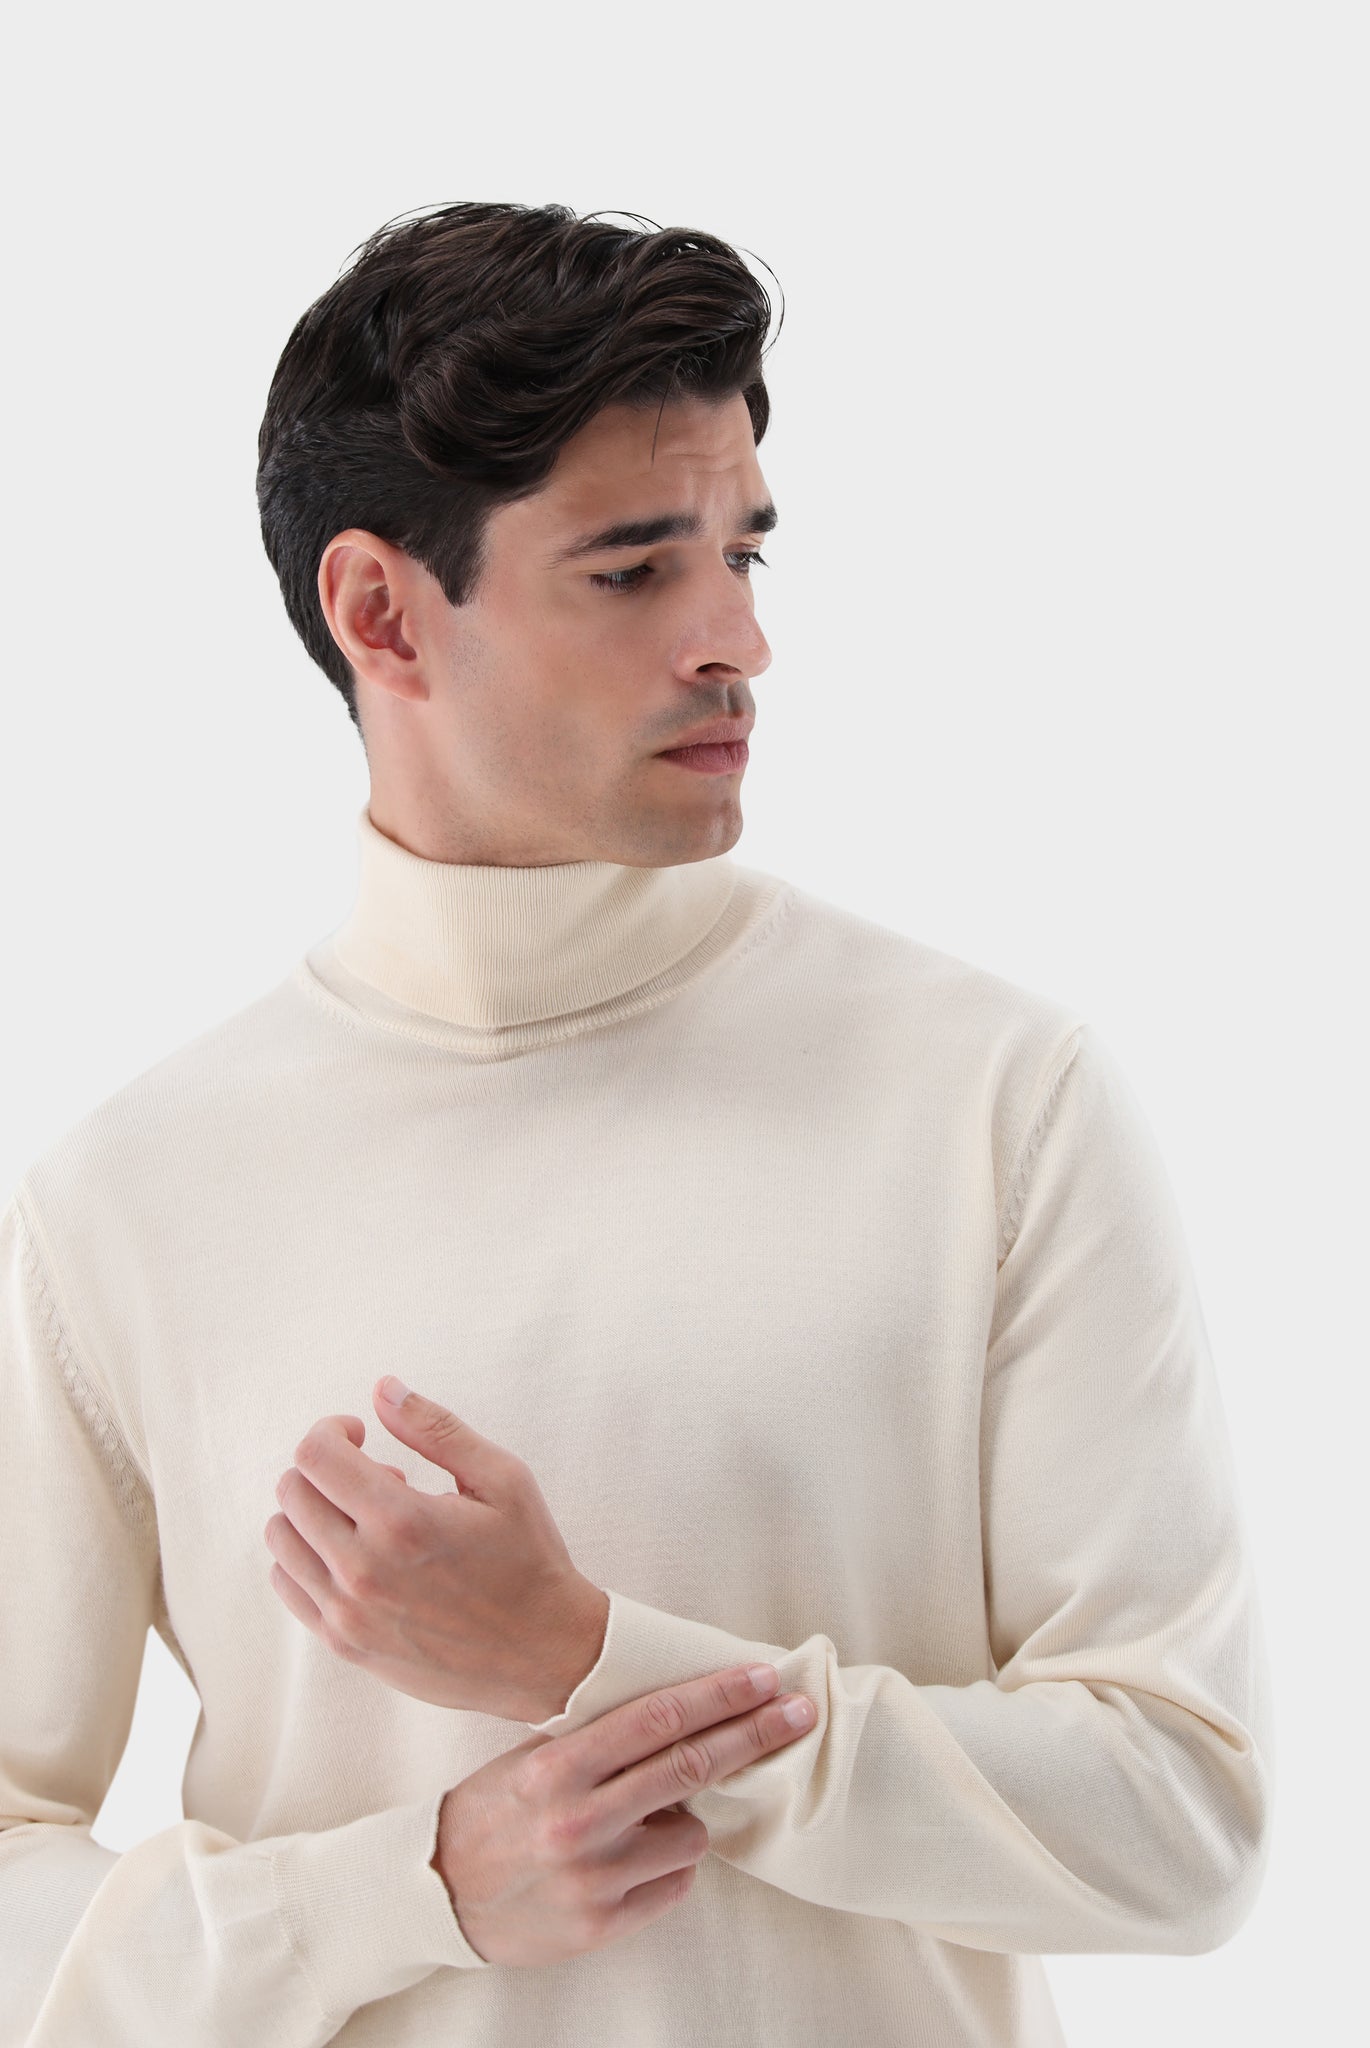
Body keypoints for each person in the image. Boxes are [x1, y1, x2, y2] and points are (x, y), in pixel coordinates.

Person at [0, 200, 1274, 2046]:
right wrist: (410, 1892)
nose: (738, 639)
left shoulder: (995, 1101)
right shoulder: (126, 1199)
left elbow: (1182, 1825)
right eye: (632, 571)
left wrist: (587, 1662)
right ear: (380, 612)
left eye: (743, 550)